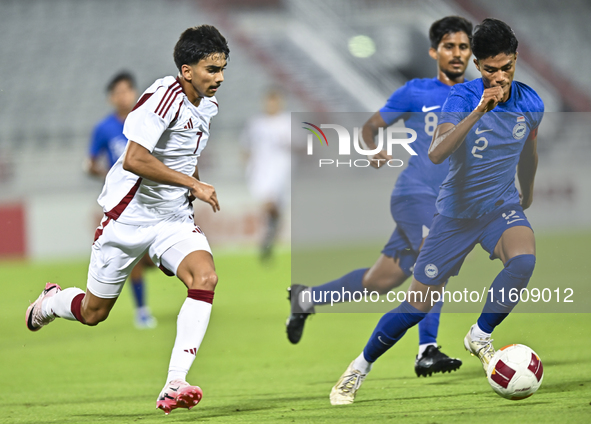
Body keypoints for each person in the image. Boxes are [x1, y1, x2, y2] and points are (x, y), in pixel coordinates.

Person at [329, 18, 543, 405]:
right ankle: (357, 368)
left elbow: (528, 151)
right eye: (490, 69)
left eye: (506, 67)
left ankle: (480, 335)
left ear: (515, 60)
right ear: (479, 66)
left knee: (524, 259)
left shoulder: (532, 103)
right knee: (416, 306)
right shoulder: (461, 99)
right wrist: (479, 110)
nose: (499, 77)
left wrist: (526, 193)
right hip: (455, 215)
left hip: (499, 207)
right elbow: (437, 151)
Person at [25, 25, 229, 415]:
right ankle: (54, 301)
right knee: (93, 313)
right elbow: (135, 159)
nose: (219, 77)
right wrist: (193, 184)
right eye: (210, 69)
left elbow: (186, 153)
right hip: (127, 219)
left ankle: (175, 382)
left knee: (205, 278)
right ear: (187, 71)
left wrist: (193, 185)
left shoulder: (207, 105)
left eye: (222, 68)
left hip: (171, 218)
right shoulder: (162, 98)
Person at [286, 16, 473, 378]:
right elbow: (371, 127)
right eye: (449, 46)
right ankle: (427, 349)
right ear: (434, 50)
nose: (457, 53)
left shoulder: (478, 95)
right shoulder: (415, 92)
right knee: (437, 257)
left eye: (463, 47)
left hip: (447, 205)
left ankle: (305, 299)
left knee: (378, 281)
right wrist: (373, 149)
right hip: (414, 194)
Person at [87, 71, 157, 329]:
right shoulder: (104, 129)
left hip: (153, 196)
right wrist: (107, 175)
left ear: (134, 93)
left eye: (126, 91)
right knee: (134, 256)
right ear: (110, 98)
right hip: (124, 203)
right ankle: (142, 311)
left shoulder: (148, 120)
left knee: (155, 256)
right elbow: (90, 163)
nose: (122, 96)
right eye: (117, 93)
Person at [241, 88, 291, 261]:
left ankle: (269, 237)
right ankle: (268, 238)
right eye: (269, 101)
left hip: (282, 172)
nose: (271, 105)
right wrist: (247, 162)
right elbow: (246, 145)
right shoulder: (256, 123)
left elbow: (300, 146)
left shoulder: (287, 122)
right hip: (261, 171)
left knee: (276, 209)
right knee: (269, 205)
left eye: (275, 101)